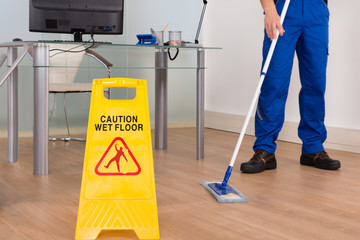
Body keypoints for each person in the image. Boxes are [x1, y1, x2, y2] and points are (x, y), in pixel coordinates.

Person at [240, 0, 341, 173]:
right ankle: (265, 149)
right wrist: (269, 9)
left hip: (316, 11)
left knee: (315, 82)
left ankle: (313, 147)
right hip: (283, 10)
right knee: (274, 81)